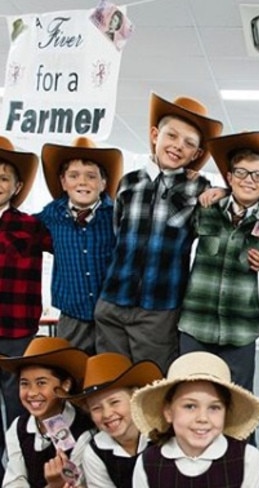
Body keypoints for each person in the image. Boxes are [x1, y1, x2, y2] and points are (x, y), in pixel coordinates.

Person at [94, 93, 223, 371]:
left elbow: (223, 216)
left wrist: (222, 191)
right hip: (113, 300)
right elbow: (118, 233)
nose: (178, 146)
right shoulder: (128, 183)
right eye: (172, 136)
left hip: (160, 306)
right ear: (155, 134)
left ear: (197, 154)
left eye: (189, 144)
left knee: (152, 385)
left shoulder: (199, 188)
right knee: (111, 381)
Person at [178, 131, 259, 395]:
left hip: (240, 327)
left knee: (239, 400)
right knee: (190, 394)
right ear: (229, 177)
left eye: (258, 176)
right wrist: (208, 188)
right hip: (196, 322)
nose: (249, 180)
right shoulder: (207, 207)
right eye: (241, 173)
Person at [37, 136, 123, 355]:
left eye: (91, 176)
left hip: (111, 314)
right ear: (63, 182)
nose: (82, 182)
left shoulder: (117, 215)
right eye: (73, 176)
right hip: (71, 313)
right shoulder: (50, 215)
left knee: (111, 370)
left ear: (103, 183)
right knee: (69, 371)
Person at [130, 351, 259, 487]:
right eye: (190, 406)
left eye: (214, 408)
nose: (202, 418)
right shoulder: (148, 463)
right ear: (168, 412)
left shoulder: (247, 459)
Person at [0, 137, 52, 481]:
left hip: (16, 334)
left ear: (17, 186)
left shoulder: (32, 226)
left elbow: (76, 241)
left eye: (4, 177)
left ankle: (25, 473)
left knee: (22, 409)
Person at [57, 352, 163, 488]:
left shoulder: (161, 436)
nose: (107, 414)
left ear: (135, 399)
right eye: (96, 408)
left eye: (114, 402)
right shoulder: (95, 452)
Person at [0, 337, 93, 488]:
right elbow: (14, 481)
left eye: (41, 383)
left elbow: (79, 483)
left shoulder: (84, 431)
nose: (32, 393)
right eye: (24, 384)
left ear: (66, 385)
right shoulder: (18, 428)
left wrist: (58, 484)